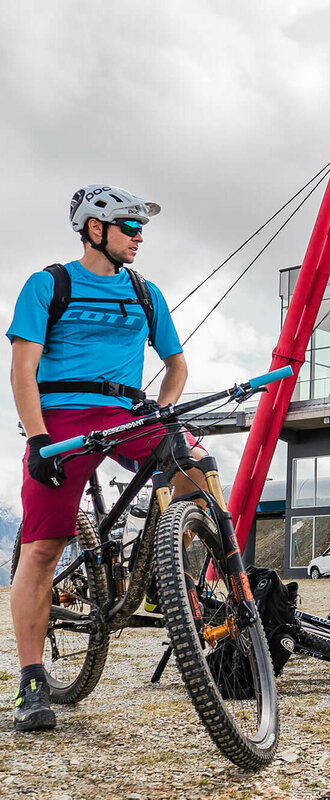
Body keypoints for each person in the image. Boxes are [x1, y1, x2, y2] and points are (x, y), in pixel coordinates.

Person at [7, 185, 202, 732]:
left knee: (200, 470)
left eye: (143, 229)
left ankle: (173, 570)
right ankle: (31, 680)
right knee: (42, 547)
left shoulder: (145, 292)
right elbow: (23, 369)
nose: (141, 238)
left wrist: (163, 413)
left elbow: (176, 365)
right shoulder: (48, 284)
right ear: (95, 229)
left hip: (128, 413)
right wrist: (37, 438)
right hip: (62, 419)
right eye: (129, 228)